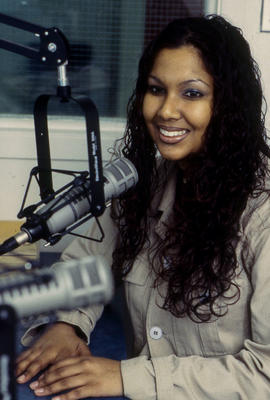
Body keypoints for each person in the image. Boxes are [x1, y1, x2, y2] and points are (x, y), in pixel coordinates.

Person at [15, 14, 270, 399]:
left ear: (229, 104)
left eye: (192, 93)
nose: (166, 110)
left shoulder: (262, 213)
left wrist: (124, 377)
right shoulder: (144, 186)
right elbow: (88, 263)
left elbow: (265, 376)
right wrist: (66, 326)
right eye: (156, 89)